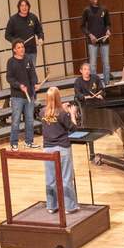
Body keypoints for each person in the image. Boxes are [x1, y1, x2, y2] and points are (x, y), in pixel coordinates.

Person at [41, 86, 80, 214]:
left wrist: (61, 109)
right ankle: (70, 207)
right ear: (58, 98)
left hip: (47, 150)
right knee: (66, 178)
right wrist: (72, 114)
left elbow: (53, 116)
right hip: (62, 148)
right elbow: (73, 128)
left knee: (50, 179)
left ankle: (52, 206)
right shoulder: (63, 114)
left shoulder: (42, 113)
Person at [7, 38, 39, 150]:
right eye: (19, 47)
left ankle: (29, 142)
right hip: (17, 97)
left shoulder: (28, 59)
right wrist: (19, 85)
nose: (22, 49)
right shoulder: (11, 62)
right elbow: (9, 78)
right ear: (14, 50)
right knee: (16, 121)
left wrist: (35, 84)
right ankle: (13, 143)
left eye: (23, 47)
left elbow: (33, 74)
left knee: (30, 120)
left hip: (29, 95)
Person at [81, 0, 112, 84]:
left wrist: (108, 30)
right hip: (92, 42)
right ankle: (94, 85)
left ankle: (107, 84)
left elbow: (108, 24)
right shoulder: (86, 10)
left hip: (104, 40)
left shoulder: (104, 9)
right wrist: (90, 35)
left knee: (106, 64)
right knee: (93, 65)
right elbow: (82, 26)